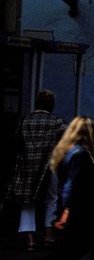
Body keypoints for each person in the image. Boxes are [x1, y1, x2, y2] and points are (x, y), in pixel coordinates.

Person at [20, 117, 94, 260]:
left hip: (80, 211)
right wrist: (66, 212)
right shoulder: (80, 155)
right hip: (86, 212)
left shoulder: (67, 152)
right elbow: (71, 186)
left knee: (75, 250)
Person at [7, 89, 65, 251]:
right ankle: (48, 235)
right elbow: (65, 140)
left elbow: (15, 141)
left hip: (27, 165)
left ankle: (30, 239)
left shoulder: (24, 121)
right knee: (51, 199)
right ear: (51, 105)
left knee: (27, 202)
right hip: (49, 166)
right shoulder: (56, 122)